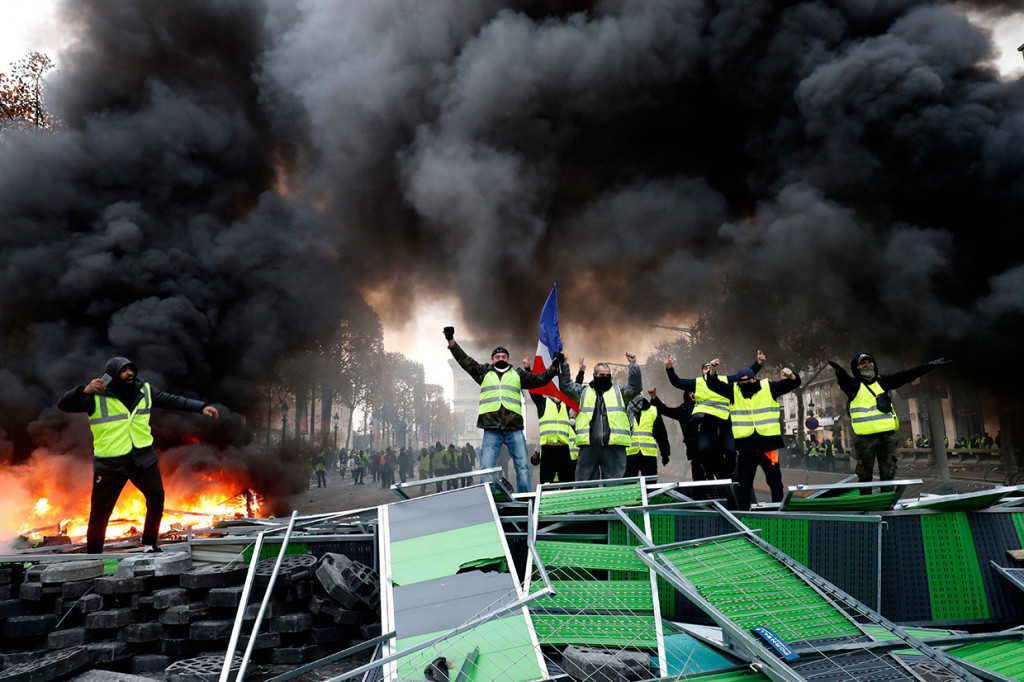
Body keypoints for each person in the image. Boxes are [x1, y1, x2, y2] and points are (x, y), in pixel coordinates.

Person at [58, 356, 219, 554]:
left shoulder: (144, 390)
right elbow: (64, 404)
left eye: (131, 369)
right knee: (100, 512)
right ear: (112, 375)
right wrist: (83, 390)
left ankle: (150, 544)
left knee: (157, 496)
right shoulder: (95, 395)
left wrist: (201, 407)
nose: (130, 374)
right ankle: (93, 556)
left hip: (142, 458)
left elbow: (172, 400)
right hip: (110, 462)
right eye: (124, 370)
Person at [445, 326, 561, 493]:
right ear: (492, 359)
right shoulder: (482, 372)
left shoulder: (518, 374)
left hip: (513, 428)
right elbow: (464, 360)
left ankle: (525, 499)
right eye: (497, 356)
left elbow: (539, 380)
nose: (501, 358)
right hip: (491, 428)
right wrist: (451, 341)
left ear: (508, 359)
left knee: (522, 466)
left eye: (504, 356)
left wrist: (554, 367)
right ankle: (489, 498)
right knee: (486, 468)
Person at [829, 353, 951, 488]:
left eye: (870, 362)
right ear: (856, 368)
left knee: (889, 470)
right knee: (864, 472)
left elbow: (906, 376)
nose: (868, 365)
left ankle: (887, 495)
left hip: (887, 436)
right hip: (865, 439)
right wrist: (840, 372)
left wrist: (929, 366)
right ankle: (866, 498)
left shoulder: (882, 381)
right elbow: (845, 381)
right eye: (863, 363)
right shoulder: (853, 385)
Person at [706, 361, 801, 511]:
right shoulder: (734, 391)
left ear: (754, 379)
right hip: (746, 448)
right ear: (738, 382)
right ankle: (744, 514)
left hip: (768, 447)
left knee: (775, 482)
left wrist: (791, 376)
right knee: (744, 485)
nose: (745, 384)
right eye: (742, 382)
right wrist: (713, 371)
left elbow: (793, 384)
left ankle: (778, 512)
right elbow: (713, 385)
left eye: (748, 381)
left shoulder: (768, 387)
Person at [665, 351, 764, 480]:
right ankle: (710, 472)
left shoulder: (725, 379)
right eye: (705, 368)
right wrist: (669, 368)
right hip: (706, 422)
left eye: (710, 367)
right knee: (704, 450)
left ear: (716, 370)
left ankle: (728, 475)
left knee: (731, 451)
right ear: (702, 372)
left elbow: (745, 376)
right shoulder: (697, 383)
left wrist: (759, 363)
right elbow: (677, 382)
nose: (708, 369)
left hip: (725, 422)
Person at [559, 353, 642, 480]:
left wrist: (633, 365)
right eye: (601, 375)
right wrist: (564, 364)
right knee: (585, 484)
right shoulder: (583, 392)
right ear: (594, 375)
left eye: (607, 375)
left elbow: (635, 387)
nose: (605, 377)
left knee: (614, 485)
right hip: (589, 447)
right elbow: (566, 386)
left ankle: (614, 500)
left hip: (613, 446)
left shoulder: (619, 392)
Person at [523, 357, 576, 485]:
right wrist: (527, 369)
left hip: (564, 450)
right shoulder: (542, 403)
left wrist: (579, 372)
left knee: (567, 484)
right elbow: (533, 390)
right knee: (547, 485)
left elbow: (572, 390)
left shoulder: (566, 404)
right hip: (547, 451)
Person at [650, 388, 701, 479]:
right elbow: (665, 410)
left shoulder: (705, 408)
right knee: (697, 471)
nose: (693, 394)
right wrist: (654, 397)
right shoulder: (683, 410)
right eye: (690, 392)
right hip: (692, 447)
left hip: (708, 446)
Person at [623, 389, 670, 478]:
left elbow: (661, 434)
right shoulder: (625, 411)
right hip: (630, 454)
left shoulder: (653, 410)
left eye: (638, 394)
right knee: (629, 485)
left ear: (642, 396)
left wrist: (665, 453)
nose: (636, 397)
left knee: (650, 485)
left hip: (648, 454)